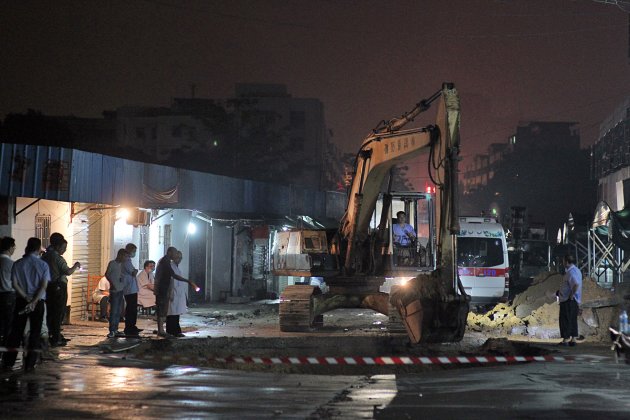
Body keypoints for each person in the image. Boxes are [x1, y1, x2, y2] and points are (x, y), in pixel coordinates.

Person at [1, 238, 51, 372]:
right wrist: (34, 301)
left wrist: (27, 298)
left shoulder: (17, 264)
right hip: (38, 302)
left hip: (21, 301)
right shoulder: (43, 265)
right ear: (38, 248)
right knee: (35, 332)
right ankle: (30, 363)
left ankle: (8, 362)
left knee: (16, 332)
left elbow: (15, 284)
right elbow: (43, 286)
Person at [42, 237, 80, 347]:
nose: (64, 250)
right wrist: (76, 266)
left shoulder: (45, 255)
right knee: (58, 312)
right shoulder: (57, 258)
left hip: (48, 286)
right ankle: (56, 337)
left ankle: (51, 334)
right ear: (57, 246)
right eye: (63, 248)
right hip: (58, 286)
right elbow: (67, 271)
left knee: (50, 312)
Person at [154, 247, 198, 338]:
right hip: (166, 290)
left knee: (174, 313)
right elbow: (173, 277)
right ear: (170, 253)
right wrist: (189, 281)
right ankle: (166, 331)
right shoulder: (166, 262)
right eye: (176, 255)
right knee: (167, 312)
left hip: (170, 290)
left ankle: (174, 331)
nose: (177, 258)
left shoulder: (170, 264)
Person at [556, 254, 582, 346]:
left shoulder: (571, 273)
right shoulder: (577, 270)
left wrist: (571, 295)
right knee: (572, 320)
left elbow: (576, 284)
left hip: (568, 300)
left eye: (563, 261)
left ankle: (565, 340)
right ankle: (573, 339)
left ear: (566, 262)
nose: (562, 263)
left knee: (565, 320)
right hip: (574, 301)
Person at [105, 249, 128, 338]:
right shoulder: (112, 263)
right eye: (124, 256)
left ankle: (116, 329)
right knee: (114, 311)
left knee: (119, 311)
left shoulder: (122, 265)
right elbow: (107, 274)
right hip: (114, 290)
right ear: (120, 255)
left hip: (121, 289)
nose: (125, 258)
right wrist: (112, 283)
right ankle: (111, 330)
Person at [166, 251, 188, 337]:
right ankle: (172, 331)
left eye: (181, 258)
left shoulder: (176, 267)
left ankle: (176, 330)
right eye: (178, 257)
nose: (179, 259)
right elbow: (171, 280)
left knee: (176, 312)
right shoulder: (171, 266)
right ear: (174, 257)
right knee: (171, 313)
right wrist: (170, 292)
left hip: (178, 292)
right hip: (173, 291)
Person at [122, 243, 142, 336]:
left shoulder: (128, 260)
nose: (135, 253)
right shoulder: (126, 261)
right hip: (129, 288)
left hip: (131, 287)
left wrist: (135, 271)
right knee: (131, 309)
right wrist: (135, 271)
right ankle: (129, 327)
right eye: (134, 251)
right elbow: (133, 272)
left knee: (133, 308)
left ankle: (132, 326)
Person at [0, 237, 16, 346]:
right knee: (8, 321)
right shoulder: (11, 263)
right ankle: (6, 344)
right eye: (14, 247)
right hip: (8, 295)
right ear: (10, 248)